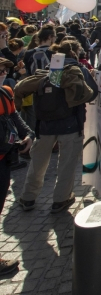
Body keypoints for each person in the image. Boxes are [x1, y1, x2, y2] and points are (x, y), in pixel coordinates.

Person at [16, 40, 98, 213]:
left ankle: (28, 197)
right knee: (66, 164)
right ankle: (61, 199)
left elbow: (23, 87)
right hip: (70, 123)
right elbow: (92, 93)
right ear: (74, 53)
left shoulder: (47, 69)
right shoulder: (78, 70)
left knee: (38, 163)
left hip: (44, 124)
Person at [0, 58, 33, 274]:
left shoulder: (5, 92)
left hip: (4, 159)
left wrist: (27, 134)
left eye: (3, 70)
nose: (3, 74)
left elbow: (14, 116)